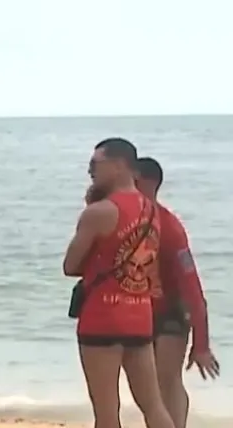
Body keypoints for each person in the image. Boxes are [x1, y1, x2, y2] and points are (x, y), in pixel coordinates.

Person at [63, 138, 174, 428]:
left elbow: (70, 265)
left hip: (102, 317)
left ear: (118, 165)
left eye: (95, 164)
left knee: (107, 412)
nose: (90, 171)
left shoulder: (98, 212)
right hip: (140, 314)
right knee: (153, 405)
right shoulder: (152, 211)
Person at [135, 157, 220, 428]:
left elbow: (192, 286)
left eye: (132, 182)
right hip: (135, 311)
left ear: (147, 183)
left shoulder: (169, 227)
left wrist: (202, 343)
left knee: (166, 381)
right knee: (146, 388)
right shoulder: (122, 221)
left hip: (169, 314)